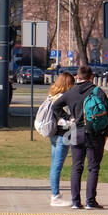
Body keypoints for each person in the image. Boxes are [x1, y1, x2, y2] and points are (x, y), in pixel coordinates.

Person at [52, 64, 108, 210]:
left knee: (76, 167)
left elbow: (55, 107)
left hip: (75, 133)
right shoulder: (97, 92)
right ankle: (90, 201)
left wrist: (68, 117)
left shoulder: (71, 92)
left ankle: (75, 202)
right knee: (93, 167)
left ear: (77, 77)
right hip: (94, 134)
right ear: (91, 77)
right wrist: (106, 133)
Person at [44, 73, 75, 207]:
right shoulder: (63, 98)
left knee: (55, 165)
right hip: (62, 134)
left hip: (54, 134)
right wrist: (70, 118)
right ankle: (55, 196)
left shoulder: (52, 95)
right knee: (57, 166)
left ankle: (56, 194)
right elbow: (60, 115)